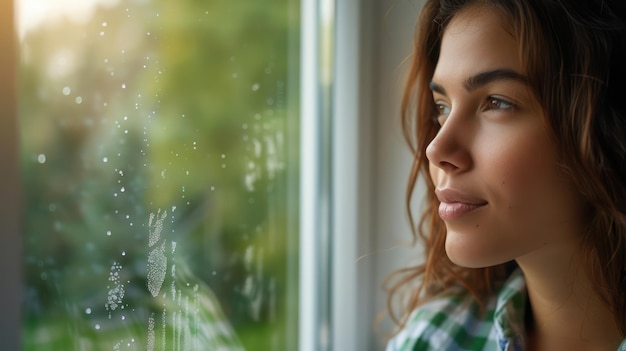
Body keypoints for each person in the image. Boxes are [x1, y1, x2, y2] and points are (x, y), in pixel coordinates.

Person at [385, 0, 626, 350]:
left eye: (496, 102)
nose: (436, 150)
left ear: (605, 127)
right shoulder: (433, 339)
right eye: (442, 107)